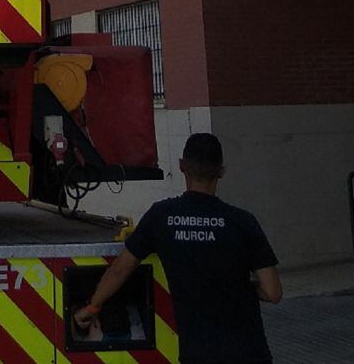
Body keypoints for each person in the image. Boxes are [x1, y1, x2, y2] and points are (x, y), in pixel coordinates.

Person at [73, 133, 282, 364]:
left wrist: (92, 307)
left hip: (198, 355)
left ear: (182, 166)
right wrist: (241, 286)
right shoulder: (243, 221)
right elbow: (272, 292)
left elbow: (119, 271)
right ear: (221, 171)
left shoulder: (161, 217)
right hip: (250, 354)